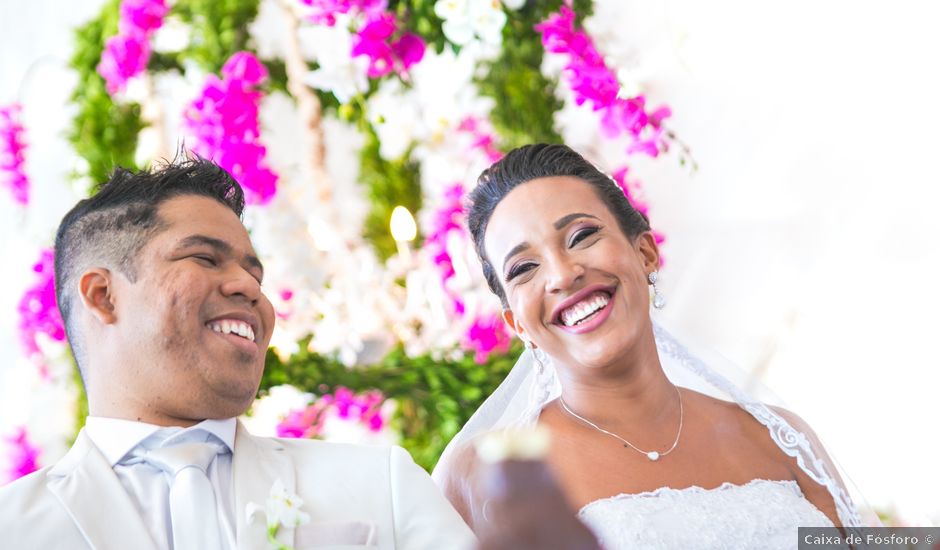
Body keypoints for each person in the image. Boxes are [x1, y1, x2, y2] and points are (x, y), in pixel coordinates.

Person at [0, 158, 477, 550]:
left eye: (256, 275)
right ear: (103, 295)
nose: (249, 288)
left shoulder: (382, 485)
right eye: (205, 258)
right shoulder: (15, 528)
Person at [434, 143, 871, 549]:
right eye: (524, 267)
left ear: (644, 252)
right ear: (517, 324)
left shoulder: (780, 438)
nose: (562, 275)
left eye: (582, 236)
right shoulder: (485, 474)